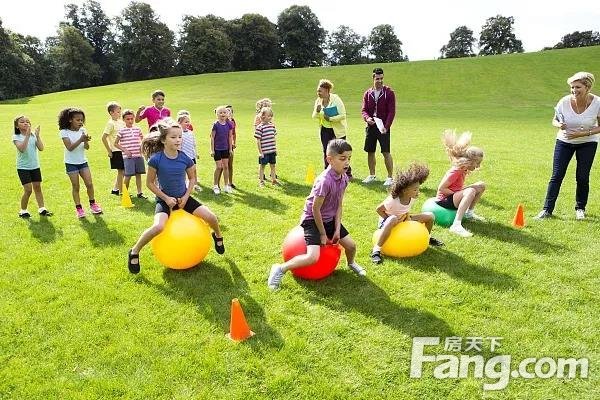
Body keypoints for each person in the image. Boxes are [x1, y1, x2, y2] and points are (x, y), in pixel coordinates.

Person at [127, 118, 225, 274]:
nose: (178, 140)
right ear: (164, 140)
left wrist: (186, 196)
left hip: (183, 198)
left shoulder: (184, 158)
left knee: (211, 217)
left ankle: (218, 237)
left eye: (180, 136)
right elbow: (150, 184)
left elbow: (193, 178)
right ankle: (134, 251)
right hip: (164, 200)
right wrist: (166, 198)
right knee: (159, 226)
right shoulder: (156, 160)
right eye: (173, 137)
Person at [268, 139, 366, 290]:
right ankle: (280, 269)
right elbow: (315, 209)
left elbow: (339, 205)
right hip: (312, 220)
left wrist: (337, 228)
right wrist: (322, 233)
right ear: (329, 159)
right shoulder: (324, 181)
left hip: (330, 219)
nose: (347, 162)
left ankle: (351, 263)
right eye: (342, 158)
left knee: (351, 246)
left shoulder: (344, 178)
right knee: (313, 257)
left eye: (349, 158)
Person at [535, 71, 600, 220]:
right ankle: (547, 210)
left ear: (587, 87)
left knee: (582, 176)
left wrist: (582, 134)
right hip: (564, 142)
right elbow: (554, 120)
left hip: (588, 142)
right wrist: (559, 124)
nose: (574, 91)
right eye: (572, 87)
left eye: (578, 87)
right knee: (557, 175)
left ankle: (580, 209)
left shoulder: (597, 103)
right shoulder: (564, 101)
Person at [371, 163, 444, 264]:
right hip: (388, 223)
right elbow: (378, 209)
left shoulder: (412, 197)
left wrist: (407, 217)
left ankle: (427, 237)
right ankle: (376, 250)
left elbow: (405, 209)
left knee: (430, 216)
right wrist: (390, 219)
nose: (418, 192)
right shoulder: (392, 200)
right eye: (415, 190)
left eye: (418, 189)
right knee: (393, 219)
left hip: (404, 219)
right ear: (405, 190)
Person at [435, 130, 486, 237]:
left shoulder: (464, 169)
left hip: (453, 196)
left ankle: (469, 213)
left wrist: (460, 193)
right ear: (470, 160)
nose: (478, 166)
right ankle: (456, 225)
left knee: (481, 185)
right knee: (470, 191)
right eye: (477, 163)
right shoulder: (456, 170)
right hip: (443, 199)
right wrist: (460, 193)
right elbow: (441, 188)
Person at [58, 107, 102, 218]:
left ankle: (93, 204)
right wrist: (81, 140)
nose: (80, 122)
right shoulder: (64, 132)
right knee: (76, 186)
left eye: (82, 120)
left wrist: (86, 141)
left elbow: (86, 147)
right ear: (70, 120)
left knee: (89, 184)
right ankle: (79, 209)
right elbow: (70, 148)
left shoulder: (83, 131)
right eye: (77, 120)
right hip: (71, 163)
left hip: (83, 161)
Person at [361, 67, 396, 186]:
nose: (380, 81)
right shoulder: (368, 93)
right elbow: (364, 110)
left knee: (386, 151)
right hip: (371, 126)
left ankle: (390, 177)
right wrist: (367, 118)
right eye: (377, 79)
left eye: (381, 78)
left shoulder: (389, 93)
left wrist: (386, 126)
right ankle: (372, 175)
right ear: (373, 78)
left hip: (383, 128)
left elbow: (392, 112)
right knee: (370, 151)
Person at [13, 115, 52, 218]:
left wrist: (37, 136)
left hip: (35, 166)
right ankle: (23, 211)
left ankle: (42, 209)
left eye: (27, 122)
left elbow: (41, 148)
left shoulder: (33, 136)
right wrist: (27, 135)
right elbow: (22, 149)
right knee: (28, 190)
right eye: (22, 122)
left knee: (38, 187)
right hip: (23, 168)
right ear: (17, 126)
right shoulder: (16, 137)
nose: (26, 123)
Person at [312, 79, 351, 177]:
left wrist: (330, 118)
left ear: (327, 90)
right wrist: (317, 111)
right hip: (325, 130)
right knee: (327, 151)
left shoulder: (336, 99)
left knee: (341, 151)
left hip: (337, 130)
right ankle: (328, 173)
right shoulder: (318, 101)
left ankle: (347, 173)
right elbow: (314, 116)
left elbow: (343, 115)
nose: (318, 93)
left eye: (320, 91)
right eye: (318, 91)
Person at [114, 109, 146, 199]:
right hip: (128, 157)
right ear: (123, 120)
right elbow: (115, 143)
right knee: (128, 175)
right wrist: (125, 150)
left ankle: (140, 193)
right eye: (128, 119)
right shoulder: (121, 131)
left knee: (138, 174)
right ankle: (125, 193)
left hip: (138, 155)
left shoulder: (138, 129)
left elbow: (143, 140)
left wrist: (142, 147)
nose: (130, 121)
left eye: (132, 119)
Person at [101, 102, 125, 196]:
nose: (120, 113)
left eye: (120, 111)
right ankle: (122, 191)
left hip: (123, 149)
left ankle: (115, 190)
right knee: (121, 171)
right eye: (118, 112)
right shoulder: (110, 124)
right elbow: (103, 137)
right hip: (116, 150)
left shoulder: (121, 122)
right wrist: (109, 150)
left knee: (123, 171)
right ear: (111, 112)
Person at [210, 105, 234, 194]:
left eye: (224, 112)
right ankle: (215, 186)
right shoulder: (215, 124)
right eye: (220, 112)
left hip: (226, 149)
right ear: (217, 114)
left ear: (227, 114)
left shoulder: (229, 124)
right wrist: (212, 150)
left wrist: (230, 149)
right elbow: (212, 137)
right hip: (217, 149)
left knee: (226, 167)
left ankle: (226, 186)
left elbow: (230, 136)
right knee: (219, 167)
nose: (222, 114)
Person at [254, 106, 279, 187]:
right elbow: (258, 141)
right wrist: (260, 152)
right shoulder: (259, 127)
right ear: (263, 116)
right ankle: (261, 181)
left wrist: (275, 149)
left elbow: (273, 138)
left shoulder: (272, 126)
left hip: (272, 150)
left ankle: (274, 180)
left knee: (273, 165)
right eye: (269, 116)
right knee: (262, 166)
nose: (270, 117)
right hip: (264, 151)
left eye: (271, 116)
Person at [177, 110, 201, 191]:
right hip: (183, 156)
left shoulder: (190, 132)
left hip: (191, 155)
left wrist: (196, 153)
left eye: (188, 122)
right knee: (183, 172)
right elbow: (178, 146)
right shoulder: (179, 134)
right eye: (185, 122)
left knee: (194, 170)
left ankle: (195, 184)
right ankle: (183, 186)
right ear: (179, 123)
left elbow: (193, 144)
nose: (188, 123)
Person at [226, 105, 237, 188]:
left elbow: (234, 133)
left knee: (230, 164)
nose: (229, 112)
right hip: (222, 146)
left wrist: (234, 142)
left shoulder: (232, 121)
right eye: (227, 111)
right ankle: (222, 184)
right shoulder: (220, 122)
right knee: (223, 166)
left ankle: (230, 182)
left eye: (230, 111)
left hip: (231, 146)